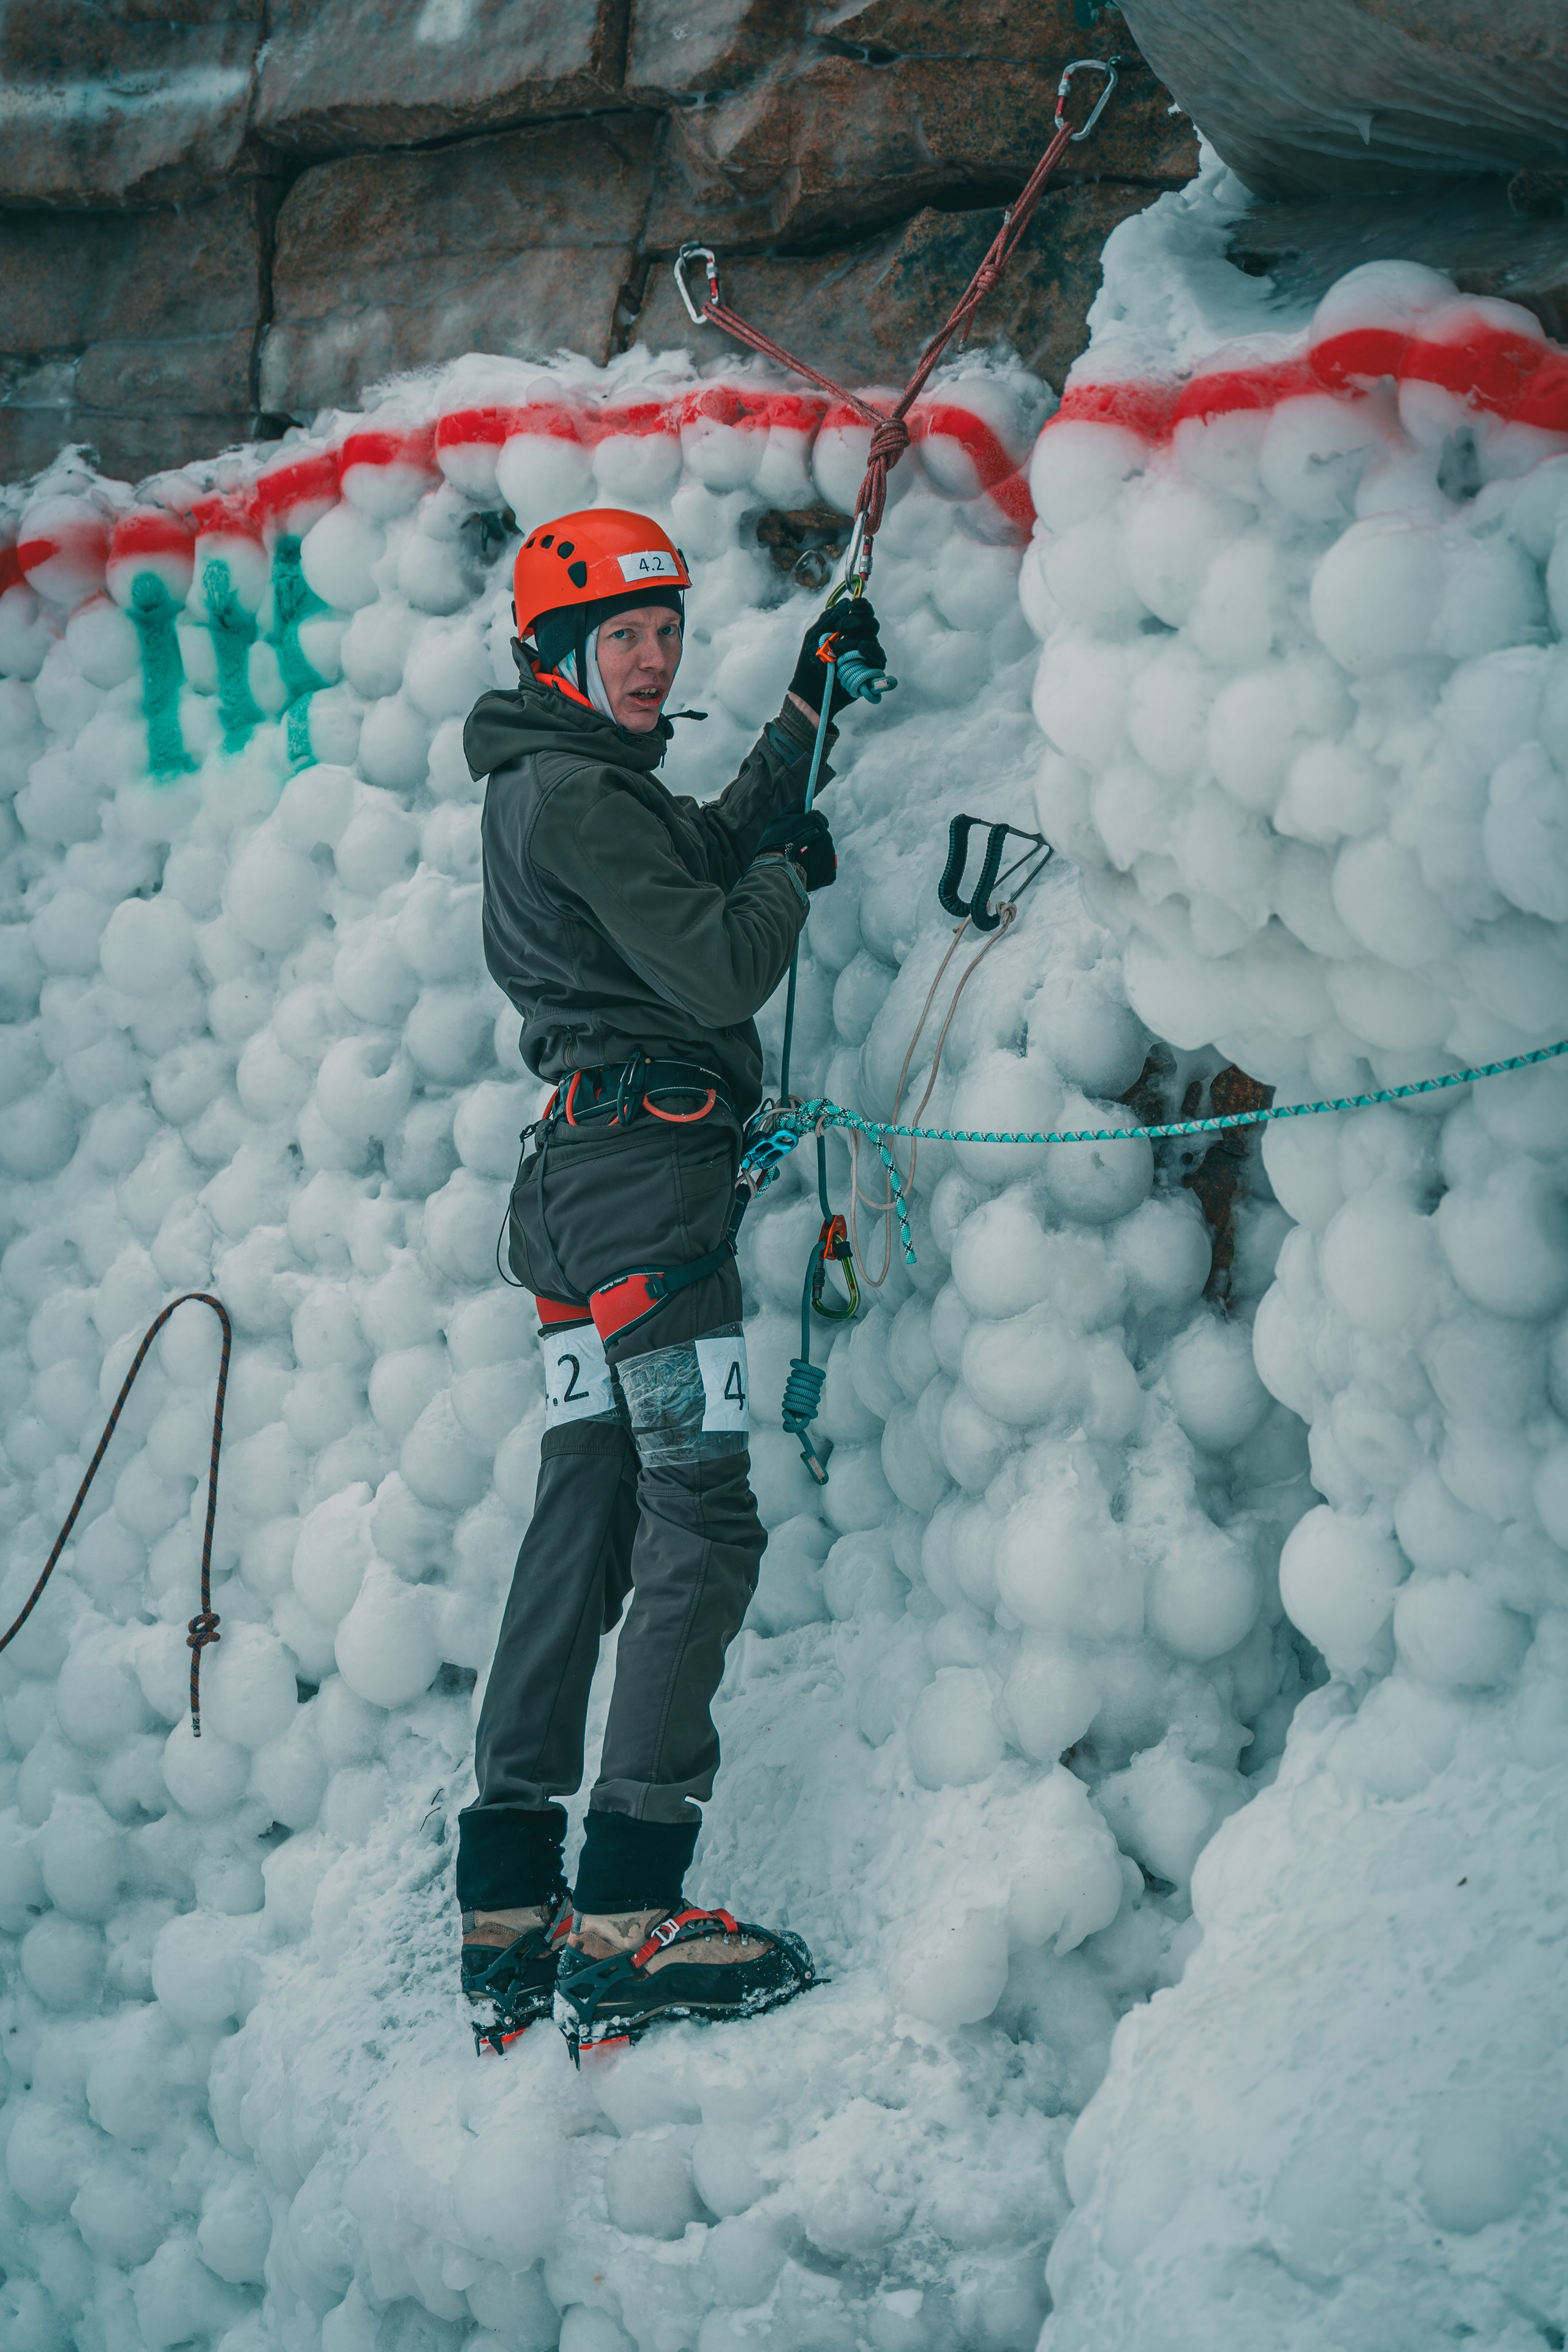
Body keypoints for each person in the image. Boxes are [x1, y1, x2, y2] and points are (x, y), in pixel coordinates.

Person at [455, 506, 886, 2057]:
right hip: (642, 1200)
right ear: (554, 656)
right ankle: (631, 1915)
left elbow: (702, 847)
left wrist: (803, 722)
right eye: (620, 638)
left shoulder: (556, 786)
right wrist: (793, 884)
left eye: (664, 633)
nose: (651, 659)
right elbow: (716, 960)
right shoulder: (574, 793)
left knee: (587, 1499)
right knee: (695, 1509)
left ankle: (509, 1900)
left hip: (577, 1202)